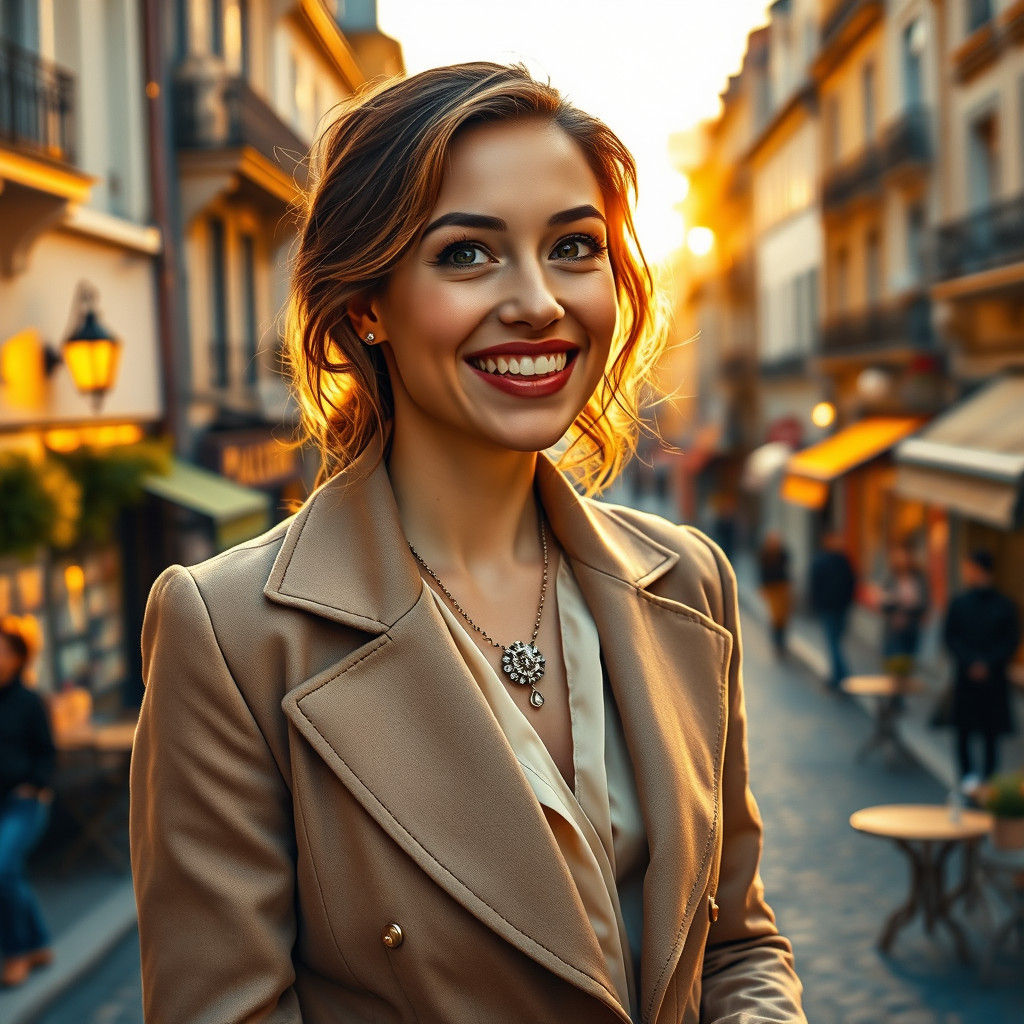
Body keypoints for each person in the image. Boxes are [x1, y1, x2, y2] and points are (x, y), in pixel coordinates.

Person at [130, 63, 805, 1024]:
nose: (538, 302)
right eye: (467, 255)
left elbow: (736, 942)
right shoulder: (233, 634)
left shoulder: (690, 581)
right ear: (365, 304)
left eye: (575, 246)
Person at [0, 626, 56, 988]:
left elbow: (47, 753)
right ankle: (38, 943)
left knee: (2, 870)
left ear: (18, 658)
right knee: (9, 873)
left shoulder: (30, 701)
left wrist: (35, 786)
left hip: (22, 804)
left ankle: (17, 952)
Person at [943, 550, 1021, 791]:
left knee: (990, 735)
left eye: (970, 568)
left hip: (993, 679)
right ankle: (967, 781)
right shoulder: (959, 602)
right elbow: (950, 637)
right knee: (964, 733)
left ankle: (988, 785)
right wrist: (971, 662)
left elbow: (1011, 640)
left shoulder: (1005, 605)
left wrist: (987, 662)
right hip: (967, 679)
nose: (967, 573)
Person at [808, 532, 857, 690]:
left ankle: (839, 675)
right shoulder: (827, 561)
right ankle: (840, 675)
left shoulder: (842, 560)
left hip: (837, 608)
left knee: (834, 642)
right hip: (832, 608)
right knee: (834, 642)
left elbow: (851, 582)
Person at [877, 542, 929, 677]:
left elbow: (924, 603)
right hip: (893, 630)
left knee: (905, 668)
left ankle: (897, 695)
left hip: (910, 628)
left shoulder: (919, 578)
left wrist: (908, 613)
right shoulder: (891, 577)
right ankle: (892, 696)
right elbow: (883, 602)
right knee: (892, 667)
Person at [758, 531, 792, 659]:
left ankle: (782, 642)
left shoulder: (783, 554)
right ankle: (777, 643)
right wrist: (762, 588)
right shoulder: (764, 554)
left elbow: (787, 571)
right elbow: (762, 572)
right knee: (775, 617)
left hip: (782, 587)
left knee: (783, 617)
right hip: (771, 589)